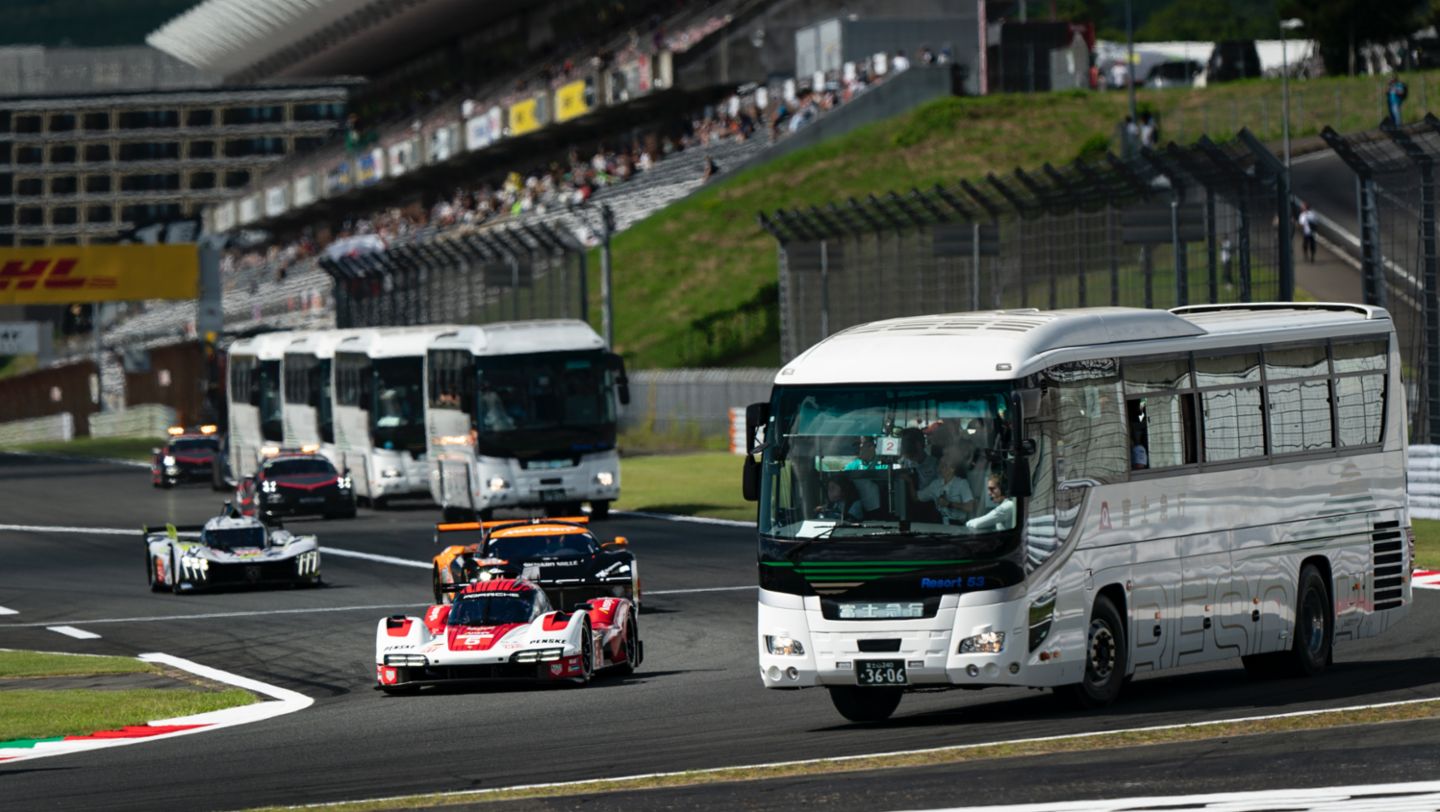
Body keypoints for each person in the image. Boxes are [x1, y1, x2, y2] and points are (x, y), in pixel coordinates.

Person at [916, 458, 975, 524]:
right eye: (940, 465)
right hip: (939, 522)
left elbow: (970, 507)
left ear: (952, 469)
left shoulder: (962, 483)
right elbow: (917, 497)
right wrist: (909, 481)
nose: (941, 468)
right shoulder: (935, 484)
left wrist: (949, 504)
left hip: (957, 524)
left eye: (944, 465)